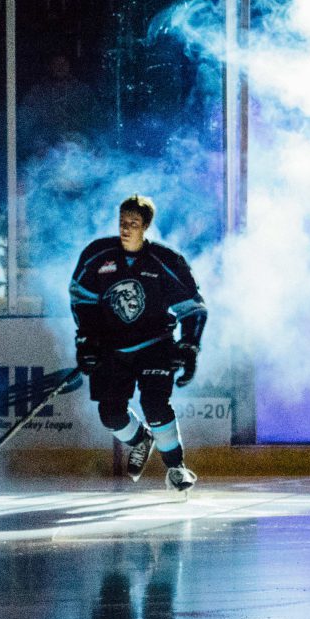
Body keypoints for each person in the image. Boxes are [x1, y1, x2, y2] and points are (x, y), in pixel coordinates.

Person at [69, 194, 207, 492]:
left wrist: (189, 347)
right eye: (122, 222)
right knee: (111, 414)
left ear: (145, 226)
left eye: (133, 223)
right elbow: (83, 299)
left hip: (154, 346)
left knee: (155, 406)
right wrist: (86, 340)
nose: (125, 229)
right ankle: (141, 440)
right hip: (112, 348)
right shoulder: (97, 256)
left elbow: (193, 308)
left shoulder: (165, 260)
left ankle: (176, 468)